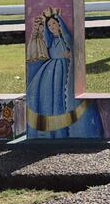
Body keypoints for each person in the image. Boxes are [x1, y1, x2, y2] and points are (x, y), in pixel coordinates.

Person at [26, 8, 81, 136]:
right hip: (51, 69)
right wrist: (45, 22)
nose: (51, 27)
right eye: (49, 25)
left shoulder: (64, 39)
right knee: (48, 92)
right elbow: (45, 36)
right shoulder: (51, 41)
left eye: (54, 24)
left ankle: (61, 125)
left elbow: (69, 42)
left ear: (59, 24)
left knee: (60, 93)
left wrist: (69, 54)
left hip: (62, 67)